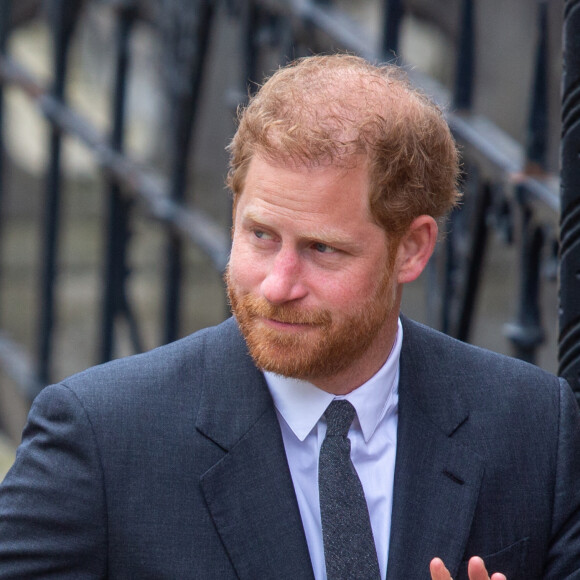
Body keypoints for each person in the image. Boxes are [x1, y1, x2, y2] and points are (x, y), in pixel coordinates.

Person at [0, 54, 579, 580]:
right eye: (259, 235)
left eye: (322, 249)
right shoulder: (101, 437)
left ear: (412, 248)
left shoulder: (534, 428)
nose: (277, 285)